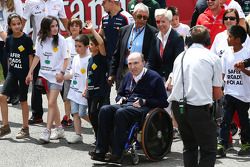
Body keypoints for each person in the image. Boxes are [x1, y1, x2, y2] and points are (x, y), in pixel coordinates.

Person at [90, 52, 168, 163]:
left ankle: (118, 153)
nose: (132, 67)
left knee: (121, 113)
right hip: (126, 104)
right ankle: (100, 150)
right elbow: (120, 94)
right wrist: (120, 98)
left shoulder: (155, 77)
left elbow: (163, 102)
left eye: (136, 63)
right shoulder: (127, 76)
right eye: (130, 64)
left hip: (143, 108)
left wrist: (145, 101)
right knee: (104, 109)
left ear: (143, 63)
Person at [168, 25, 223, 167]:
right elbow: (217, 93)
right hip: (198, 108)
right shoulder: (213, 58)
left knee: (189, 147)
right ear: (208, 41)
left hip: (178, 107)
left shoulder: (179, 57)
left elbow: (173, 85)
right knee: (209, 149)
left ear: (188, 41)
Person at [22, 0, 68, 125]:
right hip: (40, 46)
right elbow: (23, 20)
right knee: (38, 83)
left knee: (61, 84)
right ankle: (37, 114)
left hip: (56, 48)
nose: (54, 27)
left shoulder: (58, 2)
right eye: (53, 26)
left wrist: (71, 35)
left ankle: (69, 114)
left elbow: (64, 19)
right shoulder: (30, 2)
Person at [217, 25, 250, 157]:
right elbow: (222, 74)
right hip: (229, 93)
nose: (227, 38)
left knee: (243, 121)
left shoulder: (247, 53)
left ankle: (246, 143)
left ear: (237, 39)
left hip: (243, 95)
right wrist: (220, 88)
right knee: (225, 119)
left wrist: (242, 69)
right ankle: (222, 144)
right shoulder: (226, 53)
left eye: (230, 36)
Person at [109, 3, 158, 89]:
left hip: (141, 73)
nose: (142, 19)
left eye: (145, 17)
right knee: (122, 100)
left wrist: (144, 75)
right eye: (139, 16)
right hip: (124, 72)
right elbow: (117, 54)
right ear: (133, 15)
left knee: (136, 101)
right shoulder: (123, 30)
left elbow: (151, 58)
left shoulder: (153, 33)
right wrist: (112, 73)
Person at [0, 13, 34, 138]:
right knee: (2, 97)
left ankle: (25, 128)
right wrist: (9, 72)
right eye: (14, 24)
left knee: (23, 100)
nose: (17, 26)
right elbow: (9, 57)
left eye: (18, 24)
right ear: (9, 25)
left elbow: (31, 56)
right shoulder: (8, 39)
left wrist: (30, 73)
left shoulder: (26, 39)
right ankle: (5, 126)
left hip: (24, 74)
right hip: (12, 72)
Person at [99, 0, 134, 104]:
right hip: (109, 61)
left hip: (123, 63)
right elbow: (100, 35)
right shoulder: (104, 18)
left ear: (112, 2)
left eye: (104, 2)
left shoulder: (126, 17)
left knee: (125, 91)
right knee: (106, 92)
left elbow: (134, 35)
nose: (102, 5)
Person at [64, 33, 91, 144]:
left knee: (82, 113)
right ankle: (78, 134)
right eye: (76, 46)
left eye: (80, 46)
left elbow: (89, 76)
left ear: (86, 46)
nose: (77, 48)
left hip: (83, 91)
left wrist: (86, 88)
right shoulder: (75, 58)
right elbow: (72, 73)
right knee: (74, 113)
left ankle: (97, 126)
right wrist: (62, 77)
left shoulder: (89, 59)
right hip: (74, 90)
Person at [86, 21, 109, 145]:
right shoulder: (90, 59)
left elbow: (101, 42)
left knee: (97, 114)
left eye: (91, 44)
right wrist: (86, 89)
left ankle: (103, 138)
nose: (89, 46)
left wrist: (92, 30)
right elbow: (88, 76)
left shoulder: (101, 57)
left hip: (99, 91)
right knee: (91, 115)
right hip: (90, 91)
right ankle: (97, 136)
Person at [61, 18, 83, 127]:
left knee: (77, 98)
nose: (74, 27)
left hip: (79, 75)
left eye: (76, 25)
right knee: (66, 98)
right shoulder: (66, 41)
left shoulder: (83, 40)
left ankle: (77, 117)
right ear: (69, 28)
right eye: (72, 25)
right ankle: (67, 117)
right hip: (68, 74)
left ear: (80, 28)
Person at [0, 0, 23, 80]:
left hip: (12, 40)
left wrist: (15, 40)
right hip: (6, 39)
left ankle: (12, 91)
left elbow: (20, 22)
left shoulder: (16, 2)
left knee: (9, 70)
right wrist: (7, 39)